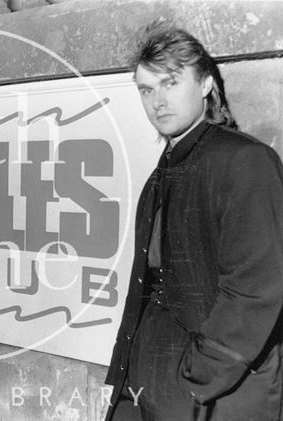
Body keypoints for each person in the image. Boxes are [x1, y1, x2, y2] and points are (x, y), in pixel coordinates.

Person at [105, 25, 283, 421]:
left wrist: (196, 377)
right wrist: (126, 374)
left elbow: (257, 287)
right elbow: (147, 286)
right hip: (148, 386)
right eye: (146, 89)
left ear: (204, 84)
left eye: (170, 82)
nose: (158, 101)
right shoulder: (162, 172)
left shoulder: (244, 161)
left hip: (215, 393)